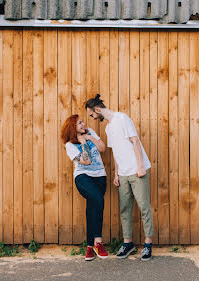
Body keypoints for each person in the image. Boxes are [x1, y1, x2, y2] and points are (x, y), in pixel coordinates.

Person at [85, 94, 154, 261]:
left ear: (97, 109)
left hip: (137, 171)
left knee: (144, 207)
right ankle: (128, 243)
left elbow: (135, 141)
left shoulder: (122, 118)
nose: (93, 118)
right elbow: (115, 151)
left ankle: (148, 244)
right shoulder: (108, 128)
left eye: (92, 114)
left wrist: (140, 166)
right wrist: (116, 173)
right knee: (125, 209)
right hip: (122, 174)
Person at [61, 114, 109, 261]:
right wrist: (82, 143)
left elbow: (102, 148)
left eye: (82, 122)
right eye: (80, 123)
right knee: (99, 200)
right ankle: (98, 242)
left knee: (92, 208)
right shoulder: (69, 145)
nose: (83, 124)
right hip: (83, 177)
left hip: (100, 176)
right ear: (73, 127)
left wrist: (90, 138)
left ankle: (89, 247)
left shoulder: (90, 132)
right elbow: (86, 162)